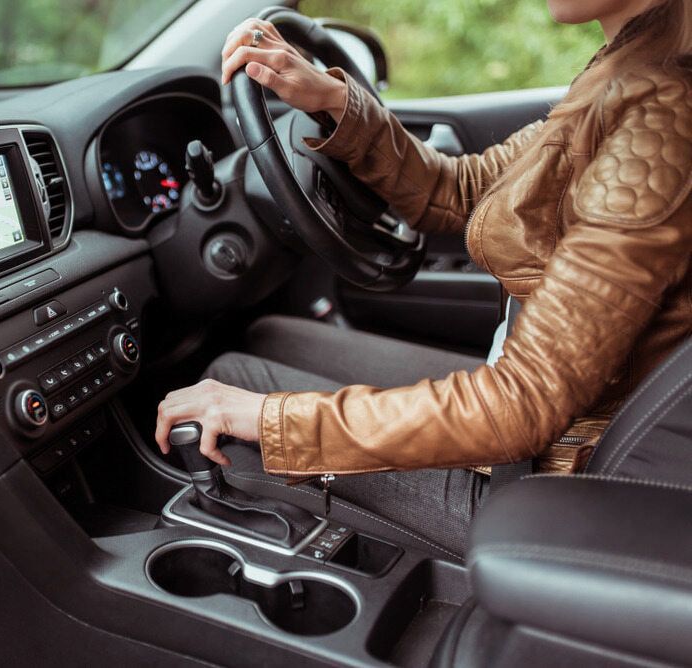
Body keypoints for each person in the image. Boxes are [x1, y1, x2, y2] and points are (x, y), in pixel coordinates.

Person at [154, 0, 692, 556]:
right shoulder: (629, 67)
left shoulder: (661, 118)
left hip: (553, 476)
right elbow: (466, 188)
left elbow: (522, 405)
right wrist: (334, 100)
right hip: (558, 417)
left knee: (231, 387)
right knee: (268, 338)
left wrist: (270, 421)